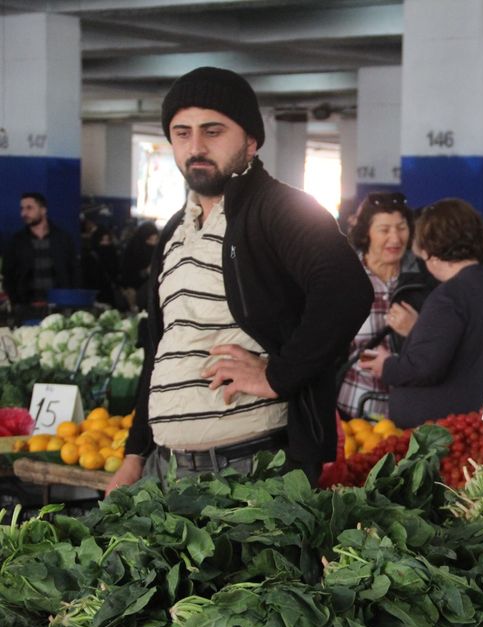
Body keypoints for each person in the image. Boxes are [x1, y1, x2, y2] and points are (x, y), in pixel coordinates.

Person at [108, 66, 371, 492]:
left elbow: (345, 289)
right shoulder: (176, 230)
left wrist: (276, 376)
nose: (195, 147)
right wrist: (134, 455)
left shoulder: (281, 209)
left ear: (250, 141)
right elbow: (161, 348)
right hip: (166, 468)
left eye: (213, 131)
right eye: (182, 133)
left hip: (251, 466)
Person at [361, 198, 483, 428]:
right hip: (476, 419)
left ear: (430, 249)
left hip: (441, 430)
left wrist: (387, 365)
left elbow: (424, 367)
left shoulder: (449, 297)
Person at [337, 192, 425, 419]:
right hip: (353, 408)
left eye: (402, 227)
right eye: (384, 230)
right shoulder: (343, 278)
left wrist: (417, 330)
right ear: (366, 232)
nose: (395, 239)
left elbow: (438, 351)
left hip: (409, 412)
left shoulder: (423, 279)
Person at [2, 192, 79, 306]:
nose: (24, 213)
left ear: (43, 210)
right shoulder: (17, 241)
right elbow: (8, 273)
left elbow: (74, 270)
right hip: (26, 304)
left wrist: (71, 298)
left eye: (29, 208)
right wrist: (16, 300)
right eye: (22, 209)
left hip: (60, 303)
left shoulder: (62, 238)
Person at [118, 221, 161, 310]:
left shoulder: (158, 251)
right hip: (135, 295)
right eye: (149, 240)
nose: (153, 244)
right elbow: (127, 275)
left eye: (155, 240)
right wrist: (146, 272)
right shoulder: (132, 252)